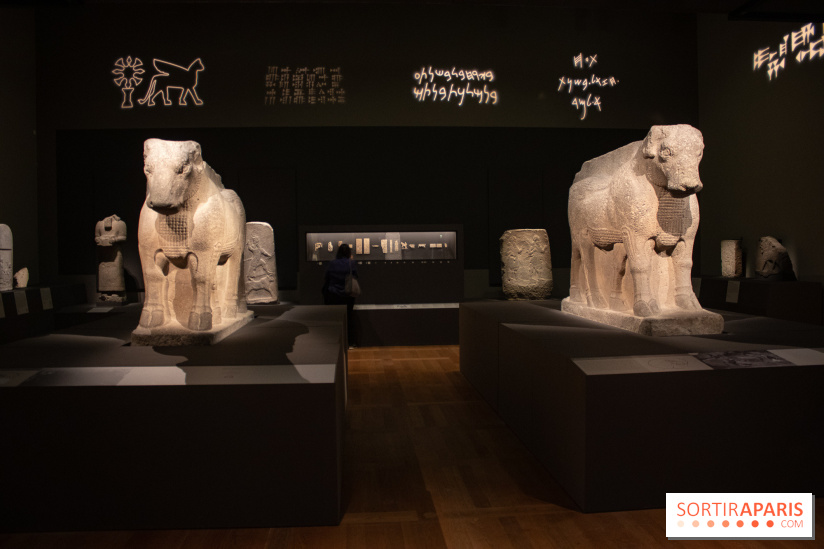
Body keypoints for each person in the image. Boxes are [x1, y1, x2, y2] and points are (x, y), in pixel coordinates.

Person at [322, 243, 358, 347]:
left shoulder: (332, 263)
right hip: (347, 295)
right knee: (349, 318)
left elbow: (327, 277)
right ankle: (350, 342)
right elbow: (355, 276)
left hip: (333, 294)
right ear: (349, 253)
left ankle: (334, 341)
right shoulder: (351, 263)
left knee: (334, 318)